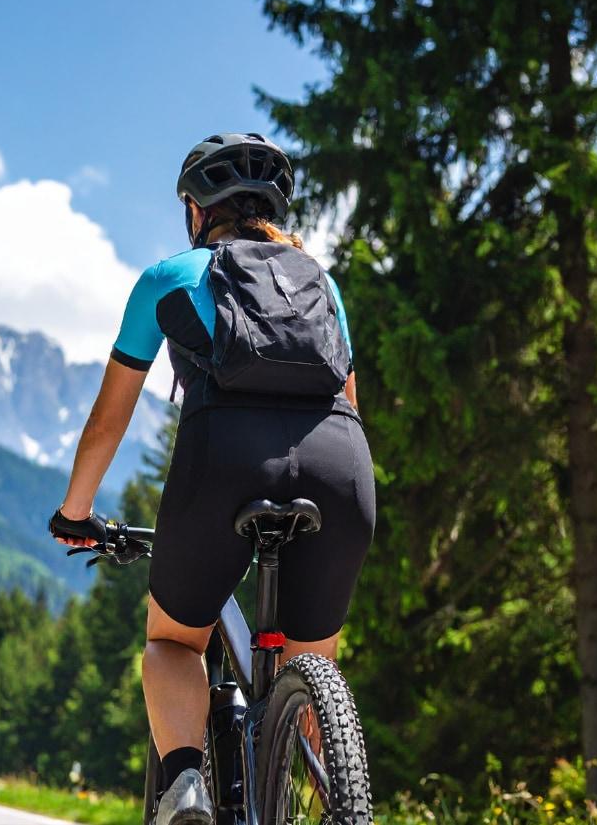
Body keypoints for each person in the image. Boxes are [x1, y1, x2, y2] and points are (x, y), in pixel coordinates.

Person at [49, 133, 376, 825]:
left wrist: (75, 513)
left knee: (172, 641)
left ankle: (187, 785)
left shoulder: (171, 277)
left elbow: (109, 422)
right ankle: (333, 796)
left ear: (197, 212)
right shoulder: (323, 282)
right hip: (340, 464)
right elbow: (349, 401)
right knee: (313, 663)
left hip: (223, 457)